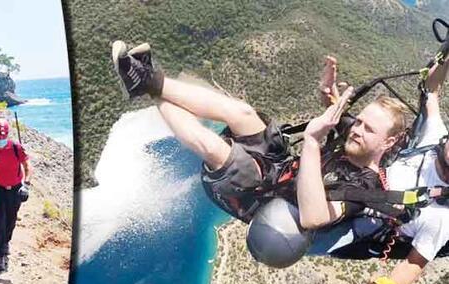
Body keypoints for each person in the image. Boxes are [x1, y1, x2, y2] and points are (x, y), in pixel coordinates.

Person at [111, 41, 407, 237]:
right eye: (360, 122)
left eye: (368, 129)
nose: (356, 129)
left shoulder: (364, 189)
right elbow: (333, 111)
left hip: (262, 199)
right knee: (241, 112)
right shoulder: (356, 139)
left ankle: (144, 87)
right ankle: (148, 79)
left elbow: (313, 217)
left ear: (388, 143)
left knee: (215, 148)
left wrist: (314, 142)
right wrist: (326, 90)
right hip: (281, 169)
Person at [311, 57, 449, 284]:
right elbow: (431, 90)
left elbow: (415, 262)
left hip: (369, 220)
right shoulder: (435, 135)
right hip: (366, 173)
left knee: (303, 234)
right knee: (353, 130)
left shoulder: (441, 216)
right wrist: (446, 59)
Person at [0, 119, 31, 271]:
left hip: (15, 189)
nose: (1, 140)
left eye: (3, 137)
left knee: (11, 219)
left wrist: (26, 184)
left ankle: (6, 242)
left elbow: (27, 166)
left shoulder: (17, 148)